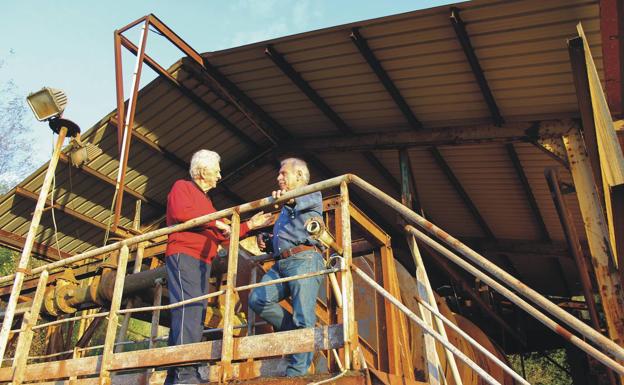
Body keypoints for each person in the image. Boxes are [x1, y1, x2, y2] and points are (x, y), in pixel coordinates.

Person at [165, 149, 271, 385]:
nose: (220, 176)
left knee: (195, 311)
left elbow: (224, 235)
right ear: (203, 171)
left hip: (203, 261)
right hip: (185, 255)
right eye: (217, 170)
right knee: (189, 309)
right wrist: (218, 223)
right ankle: (185, 374)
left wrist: (250, 225)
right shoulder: (182, 187)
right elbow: (182, 213)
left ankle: (175, 376)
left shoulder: (207, 202)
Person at [248, 158, 325, 377]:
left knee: (303, 315)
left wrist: (288, 201)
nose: (278, 177)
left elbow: (297, 204)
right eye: (279, 174)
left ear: (300, 176)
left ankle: (297, 372)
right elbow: (290, 234)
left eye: (284, 173)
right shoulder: (285, 206)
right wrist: (268, 240)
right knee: (258, 299)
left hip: (305, 259)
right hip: (282, 262)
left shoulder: (312, 192)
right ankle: (297, 335)